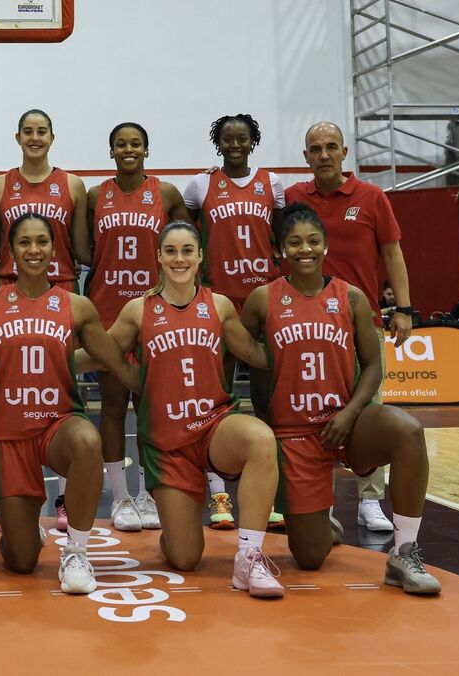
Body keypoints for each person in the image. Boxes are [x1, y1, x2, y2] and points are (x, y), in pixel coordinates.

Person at [240, 204, 440, 594]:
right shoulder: (262, 299)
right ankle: (316, 520)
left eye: (313, 241)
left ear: (326, 245)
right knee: (310, 557)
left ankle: (403, 553)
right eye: (294, 242)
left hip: (346, 423)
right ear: (280, 249)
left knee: (408, 431)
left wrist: (350, 412)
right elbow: (243, 356)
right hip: (295, 435)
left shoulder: (351, 298)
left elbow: (373, 367)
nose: (305, 249)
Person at [0, 213, 142, 594]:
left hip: (57, 425)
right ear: (11, 251)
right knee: (21, 561)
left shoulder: (77, 307)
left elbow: (116, 362)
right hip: (9, 436)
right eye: (24, 242)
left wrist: (161, 387)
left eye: (42, 242)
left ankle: (76, 552)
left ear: (54, 249)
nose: (34, 250)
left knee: (87, 440)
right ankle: (25, 527)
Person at [89, 221, 284, 598]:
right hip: (168, 445)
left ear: (200, 257)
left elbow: (256, 354)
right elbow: (102, 354)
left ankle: (249, 557)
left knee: (261, 439)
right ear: (159, 258)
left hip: (213, 427)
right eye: (171, 251)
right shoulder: (138, 310)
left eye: (187, 251)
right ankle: (176, 524)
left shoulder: (219, 305)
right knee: (185, 557)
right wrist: (49, 355)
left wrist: (309, 343)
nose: (179, 259)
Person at [285, 121, 411, 535]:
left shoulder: (372, 197)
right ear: (305, 157)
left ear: (344, 152)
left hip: (362, 323)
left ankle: (370, 500)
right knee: (309, 412)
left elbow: (392, 253)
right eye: (315, 148)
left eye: (331, 147)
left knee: (368, 410)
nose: (323, 154)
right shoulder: (292, 197)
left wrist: (404, 308)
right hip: (305, 327)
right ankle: (314, 501)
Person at [82, 121, 190, 533]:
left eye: (136, 144)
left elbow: (188, 243)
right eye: (121, 144)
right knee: (112, 405)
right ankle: (120, 497)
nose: (129, 149)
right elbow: (82, 249)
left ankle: (148, 494)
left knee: (152, 408)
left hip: (154, 313)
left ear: (147, 149)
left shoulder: (166, 194)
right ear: (111, 151)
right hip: (109, 311)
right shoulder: (96, 196)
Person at [184, 114, 286, 532]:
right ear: (218, 143)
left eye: (242, 138)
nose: (235, 145)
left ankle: (269, 495)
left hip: (263, 300)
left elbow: (282, 236)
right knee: (215, 398)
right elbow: (187, 233)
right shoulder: (200, 185)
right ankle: (219, 495)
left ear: (253, 141)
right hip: (220, 302)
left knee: (266, 399)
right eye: (227, 139)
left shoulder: (272, 183)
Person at [0, 109, 89, 292]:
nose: (34, 138)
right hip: (9, 283)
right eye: (28, 132)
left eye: (41, 132)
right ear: (18, 138)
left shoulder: (73, 185)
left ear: (52, 138)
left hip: (61, 282)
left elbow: (81, 249)